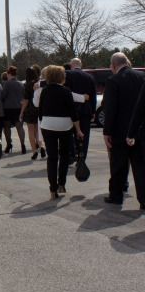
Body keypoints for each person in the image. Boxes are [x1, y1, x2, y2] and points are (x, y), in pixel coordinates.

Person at [103, 52, 145, 208]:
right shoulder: (142, 77)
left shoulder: (113, 80)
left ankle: (116, 196)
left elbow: (110, 109)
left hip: (120, 130)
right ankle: (143, 199)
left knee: (118, 165)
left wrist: (106, 132)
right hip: (140, 129)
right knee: (140, 166)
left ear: (114, 65)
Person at [38, 65, 83, 199]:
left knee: (52, 158)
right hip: (64, 125)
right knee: (64, 155)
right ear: (61, 77)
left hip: (47, 124)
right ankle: (61, 183)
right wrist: (79, 130)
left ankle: (52, 189)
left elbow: (40, 111)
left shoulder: (44, 91)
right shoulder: (66, 91)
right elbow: (73, 113)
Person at [65, 58, 97, 159]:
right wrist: (93, 111)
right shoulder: (90, 77)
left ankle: (72, 154)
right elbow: (93, 96)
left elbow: (66, 92)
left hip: (71, 109)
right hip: (85, 109)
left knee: (70, 133)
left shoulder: (67, 74)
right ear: (80, 65)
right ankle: (82, 157)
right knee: (85, 135)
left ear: (71, 65)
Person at [19, 67, 45, 160]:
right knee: (38, 130)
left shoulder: (27, 85)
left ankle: (34, 151)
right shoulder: (39, 83)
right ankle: (41, 146)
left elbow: (25, 100)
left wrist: (21, 112)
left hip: (30, 109)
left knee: (30, 130)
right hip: (39, 108)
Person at [1, 66, 26, 153]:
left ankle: (9, 145)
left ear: (9, 74)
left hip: (8, 108)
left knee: (7, 127)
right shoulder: (21, 84)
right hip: (18, 108)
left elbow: (3, 96)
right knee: (20, 127)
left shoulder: (7, 84)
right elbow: (24, 96)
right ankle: (23, 145)